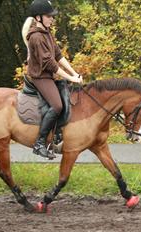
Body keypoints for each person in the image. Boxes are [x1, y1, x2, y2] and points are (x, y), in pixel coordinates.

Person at [22, 0, 83, 159]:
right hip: (40, 76)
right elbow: (49, 63)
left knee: (66, 95)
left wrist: (74, 73)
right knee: (57, 105)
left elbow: (58, 56)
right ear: (38, 17)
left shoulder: (47, 33)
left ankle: (57, 134)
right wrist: (70, 77)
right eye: (49, 16)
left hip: (49, 75)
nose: (52, 19)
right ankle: (39, 143)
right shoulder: (36, 37)